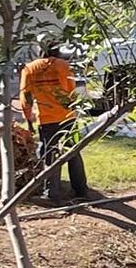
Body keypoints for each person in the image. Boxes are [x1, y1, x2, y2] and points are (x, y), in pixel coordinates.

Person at [19, 35, 87, 203]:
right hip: (67, 118)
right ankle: (81, 190)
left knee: (49, 155)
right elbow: (72, 92)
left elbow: (25, 97)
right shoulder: (64, 66)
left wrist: (28, 120)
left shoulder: (30, 69)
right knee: (73, 153)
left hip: (47, 119)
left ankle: (51, 193)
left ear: (39, 49)